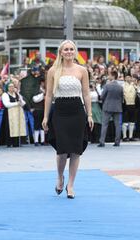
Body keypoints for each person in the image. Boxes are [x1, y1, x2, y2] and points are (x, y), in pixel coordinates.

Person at [42, 40, 93, 199]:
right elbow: (49, 95)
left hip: (77, 110)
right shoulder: (53, 70)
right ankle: (60, 177)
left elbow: (86, 94)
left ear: (75, 51)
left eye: (71, 49)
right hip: (60, 111)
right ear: (61, 52)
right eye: (66, 49)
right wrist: (45, 116)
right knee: (62, 149)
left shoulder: (82, 70)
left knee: (76, 149)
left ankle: (70, 185)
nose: (69, 52)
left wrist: (89, 114)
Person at [97, 70, 123, 147]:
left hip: (107, 107)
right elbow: (122, 98)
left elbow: (102, 96)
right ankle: (117, 141)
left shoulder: (107, 86)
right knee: (117, 125)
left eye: (110, 75)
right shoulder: (120, 87)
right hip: (117, 107)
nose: (109, 76)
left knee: (104, 124)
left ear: (113, 76)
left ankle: (102, 141)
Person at [0, 82, 26, 147]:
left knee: (17, 126)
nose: (11, 88)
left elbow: (23, 103)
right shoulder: (5, 94)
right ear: (7, 88)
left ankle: (17, 142)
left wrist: (20, 102)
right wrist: (17, 103)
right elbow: (6, 104)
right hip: (9, 113)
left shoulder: (17, 94)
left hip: (17, 113)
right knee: (10, 127)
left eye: (13, 86)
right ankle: (10, 142)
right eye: (10, 86)